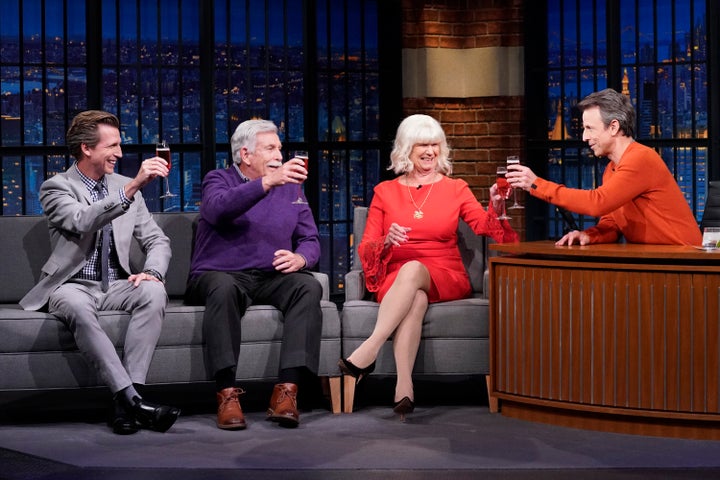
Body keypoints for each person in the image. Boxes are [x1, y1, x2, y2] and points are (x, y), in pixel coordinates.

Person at [338, 114, 518, 420]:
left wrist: (497, 204)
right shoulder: (385, 191)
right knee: (415, 296)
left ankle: (369, 349)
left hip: (445, 274)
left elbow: (486, 227)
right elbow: (366, 248)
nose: (430, 151)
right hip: (397, 278)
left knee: (412, 270)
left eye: (435, 144)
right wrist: (386, 240)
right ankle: (405, 387)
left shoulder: (456, 188)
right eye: (423, 144)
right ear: (406, 148)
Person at [20, 110, 181, 435]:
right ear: (86, 148)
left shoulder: (123, 186)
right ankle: (134, 403)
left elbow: (157, 240)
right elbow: (82, 220)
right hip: (70, 285)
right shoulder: (56, 187)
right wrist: (134, 186)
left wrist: (153, 272)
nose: (120, 154)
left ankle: (127, 401)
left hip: (117, 283)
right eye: (113, 146)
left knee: (152, 291)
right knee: (77, 306)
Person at [185, 119, 322, 430]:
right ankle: (227, 394)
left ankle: (287, 392)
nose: (280, 154)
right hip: (218, 274)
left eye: (280, 148)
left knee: (308, 287)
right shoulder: (217, 180)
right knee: (222, 287)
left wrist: (301, 258)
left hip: (270, 276)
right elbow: (218, 209)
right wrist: (267, 183)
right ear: (245, 155)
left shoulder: (292, 189)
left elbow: (310, 239)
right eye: (271, 148)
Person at [506, 88, 702, 246]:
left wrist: (536, 185)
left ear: (614, 127)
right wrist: (589, 235)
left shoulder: (641, 159)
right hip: (652, 260)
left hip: (685, 261)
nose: (584, 137)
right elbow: (612, 223)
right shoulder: (611, 170)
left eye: (590, 128)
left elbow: (597, 203)